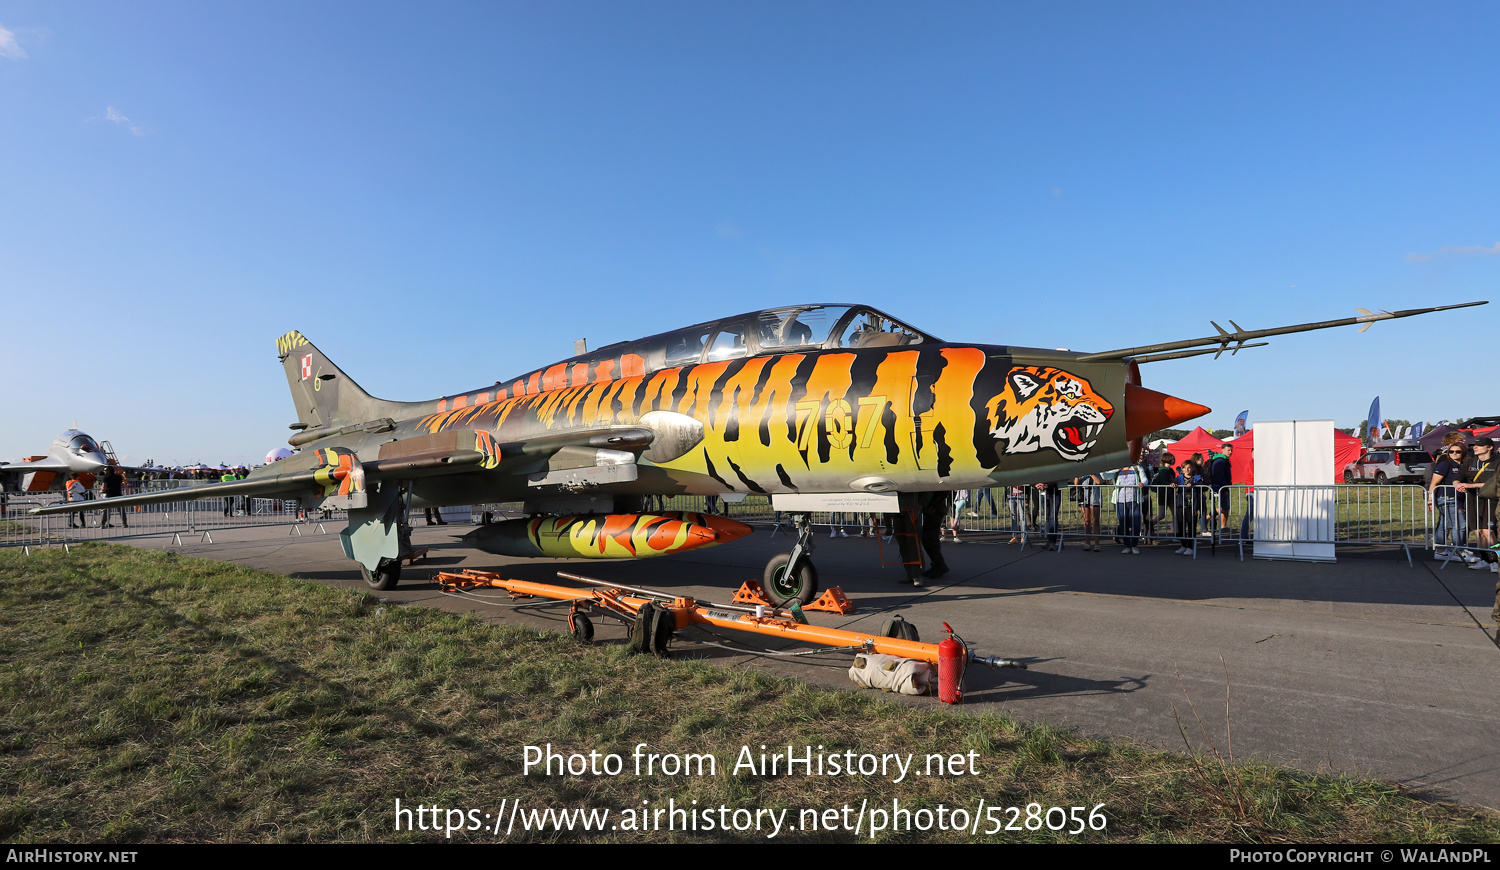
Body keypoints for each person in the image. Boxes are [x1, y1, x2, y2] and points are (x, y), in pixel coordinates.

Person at [1455, 437, 1497, 575]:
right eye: (1474, 445)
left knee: (1489, 532)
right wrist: (1458, 484)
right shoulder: (1469, 461)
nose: (1475, 447)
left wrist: (1471, 485)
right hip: (1473, 500)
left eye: (1479, 445)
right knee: (1478, 531)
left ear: (1490, 447)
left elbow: (1496, 483)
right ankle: (1485, 559)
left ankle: (1496, 560)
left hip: (1492, 500)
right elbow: (1458, 477)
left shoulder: (1498, 461)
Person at [1429, 441, 1470, 562]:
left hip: (1458, 498)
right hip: (1447, 498)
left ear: (1463, 453)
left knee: (1445, 525)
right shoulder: (1445, 464)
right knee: (1460, 525)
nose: (1454, 454)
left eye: (1458, 451)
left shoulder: (1465, 464)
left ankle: (1441, 550)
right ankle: (1458, 551)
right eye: (1451, 451)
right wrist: (1430, 499)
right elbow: (1434, 483)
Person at [1174, 459, 1205, 555]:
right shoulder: (1179, 478)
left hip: (1192, 505)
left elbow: (1202, 486)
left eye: (1188, 467)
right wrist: (1173, 485)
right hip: (1180, 504)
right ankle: (1183, 545)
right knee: (1180, 526)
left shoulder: (1196, 477)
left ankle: (1190, 547)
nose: (1187, 470)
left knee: (1191, 526)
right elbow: (1172, 483)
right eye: (1184, 468)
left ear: (1192, 468)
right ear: (1182, 469)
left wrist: (1194, 485)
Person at [920, 491, 952, 579]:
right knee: (929, 538)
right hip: (933, 508)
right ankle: (936, 564)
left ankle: (939, 564)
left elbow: (943, 492)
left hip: (935, 510)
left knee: (929, 538)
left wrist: (933, 506)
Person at [1113, 462, 1144, 554]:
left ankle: (1134, 545)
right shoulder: (1117, 469)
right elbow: (1104, 475)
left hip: (1135, 500)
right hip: (1120, 501)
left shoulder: (1136, 468)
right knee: (1123, 524)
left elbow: (1144, 479)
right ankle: (1126, 546)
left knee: (1136, 523)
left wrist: (1142, 483)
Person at [1150, 452, 1177, 545]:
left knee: (1175, 515)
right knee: (1161, 515)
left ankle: (1176, 535)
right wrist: (1171, 485)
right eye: (1172, 458)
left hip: (1171, 496)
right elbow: (1165, 483)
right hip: (1163, 496)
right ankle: (1148, 525)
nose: (1173, 460)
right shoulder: (1162, 471)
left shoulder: (1171, 471)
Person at [1209, 444, 1234, 536]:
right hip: (1220, 487)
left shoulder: (1223, 460)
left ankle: (1209, 519)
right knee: (1225, 507)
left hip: (1221, 486)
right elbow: (1219, 476)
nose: (1230, 452)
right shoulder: (1220, 461)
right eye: (1228, 450)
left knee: (1223, 507)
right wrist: (1224, 487)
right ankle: (1222, 526)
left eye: (1231, 450)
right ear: (1222, 450)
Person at [1075, 472, 1103, 551]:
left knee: (1096, 521)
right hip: (1085, 499)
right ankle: (1087, 542)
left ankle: (1097, 543)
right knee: (1087, 521)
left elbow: (1099, 482)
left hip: (1095, 499)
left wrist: (1091, 474)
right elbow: (1076, 483)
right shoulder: (1083, 474)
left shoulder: (1097, 473)